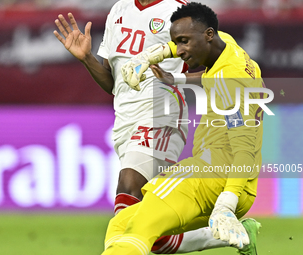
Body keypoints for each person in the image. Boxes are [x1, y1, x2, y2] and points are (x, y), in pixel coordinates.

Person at [101, 2, 264, 255]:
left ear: (208, 35)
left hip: (212, 179)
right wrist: (156, 64)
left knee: (132, 229)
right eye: (178, 42)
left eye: (185, 42)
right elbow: (210, 76)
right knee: (125, 222)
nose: (180, 51)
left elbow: (244, 151)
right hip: (237, 187)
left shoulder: (231, 82)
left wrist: (225, 205)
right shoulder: (228, 48)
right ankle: (234, 235)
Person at [53, 0, 204, 253]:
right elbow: (113, 83)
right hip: (125, 120)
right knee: (149, 231)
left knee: (128, 185)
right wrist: (86, 58)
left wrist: (177, 79)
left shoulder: (180, 11)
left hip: (161, 114)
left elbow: (215, 64)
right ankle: (223, 233)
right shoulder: (119, 10)